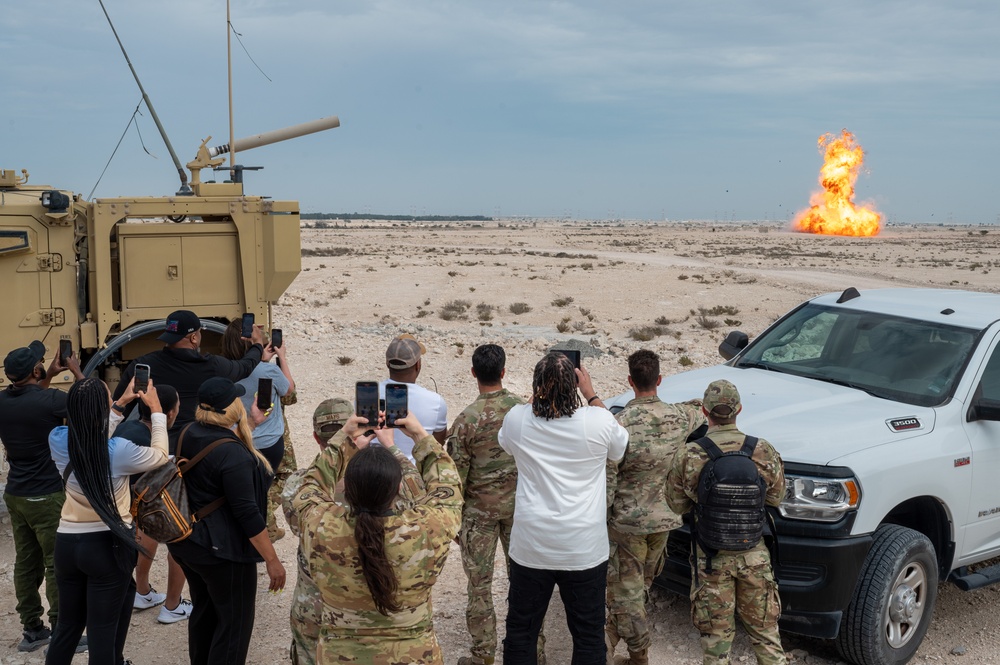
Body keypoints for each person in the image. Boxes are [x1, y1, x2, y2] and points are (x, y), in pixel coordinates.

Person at [290, 409, 462, 663]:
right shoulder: (428, 528)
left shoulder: (322, 526)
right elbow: (447, 486)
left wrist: (344, 438)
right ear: (396, 491)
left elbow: (310, 488)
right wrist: (419, 435)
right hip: (414, 655)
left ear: (347, 491)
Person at [498, 352, 628, 665]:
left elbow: (507, 440)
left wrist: (540, 394)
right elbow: (619, 448)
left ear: (536, 386)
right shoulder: (596, 422)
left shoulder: (517, 419)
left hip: (532, 545)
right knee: (587, 634)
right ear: (576, 385)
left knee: (520, 631)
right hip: (582, 547)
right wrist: (592, 394)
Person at [46, 377, 169, 665]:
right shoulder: (120, 451)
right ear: (102, 408)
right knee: (102, 632)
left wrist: (119, 404)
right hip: (106, 544)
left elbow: (88, 437)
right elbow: (161, 455)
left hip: (66, 542)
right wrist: (157, 412)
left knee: (68, 626)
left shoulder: (57, 439)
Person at [665, 380, 787, 665]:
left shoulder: (689, 453)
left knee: (716, 641)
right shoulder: (763, 450)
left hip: (710, 558)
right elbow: (776, 498)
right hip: (755, 554)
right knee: (766, 634)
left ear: (705, 411)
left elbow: (675, 504)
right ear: (739, 410)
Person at [166, 377, 286, 665]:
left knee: (205, 611)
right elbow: (247, 513)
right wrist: (272, 559)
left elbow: (219, 453)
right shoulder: (234, 455)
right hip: (222, 553)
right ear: (230, 408)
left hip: (187, 543)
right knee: (234, 626)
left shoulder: (188, 431)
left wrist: (253, 424)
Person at [605, 349, 706, 665]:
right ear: (659, 379)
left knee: (629, 591)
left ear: (630, 381)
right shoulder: (679, 417)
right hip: (664, 519)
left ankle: (630, 654)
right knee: (638, 588)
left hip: (627, 522)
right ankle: (625, 648)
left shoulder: (620, 423)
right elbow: (701, 409)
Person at [447, 344, 544, 665]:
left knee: (479, 586)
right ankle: (534, 652)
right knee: (527, 585)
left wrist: (454, 522)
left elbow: (455, 479)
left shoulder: (465, 421)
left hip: (479, 515)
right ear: (503, 371)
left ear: (473, 373)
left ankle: (482, 655)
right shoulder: (524, 410)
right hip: (522, 512)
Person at [0, 341, 83, 652]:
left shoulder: (3, 401)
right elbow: (93, 403)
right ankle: (63, 631)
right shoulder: (50, 400)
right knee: (57, 563)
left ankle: (32, 629)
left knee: (26, 561)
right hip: (46, 495)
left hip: (16, 494)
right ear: (35, 370)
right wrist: (74, 369)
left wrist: (47, 374)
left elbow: (29, 399)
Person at [280, 397, 353, 665]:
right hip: (361, 604)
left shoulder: (297, 485)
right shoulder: (379, 482)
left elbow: (298, 526)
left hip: (313, 602)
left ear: (314, 436)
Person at [114, 384, 193, 624]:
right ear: (169, 413)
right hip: (147, 505)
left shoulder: (126, 427)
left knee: (143, 533)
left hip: (125, 506)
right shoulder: (156, 441)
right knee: (180, 538)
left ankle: (143, 591)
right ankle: (173, 605)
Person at [113, 309, 265, 428]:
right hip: (197, 445)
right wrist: (257, 343)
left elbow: (120, 406)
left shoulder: (144, 364)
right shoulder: (213, 365)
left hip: (156, 445)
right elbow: (245, 366)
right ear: (194, 338)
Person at [219, 319, 293, 479]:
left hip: (236, 440)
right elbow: (288, 389)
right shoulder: (269, 370)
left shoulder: (222, 370)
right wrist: (282, 358)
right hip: (269, 443)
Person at [380, 333, 448, 460]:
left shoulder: (367, 395)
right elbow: (438, 443)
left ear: (387, 363)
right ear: (418, 365)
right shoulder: (435, 402)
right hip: (415, 476)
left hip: (374, 473)